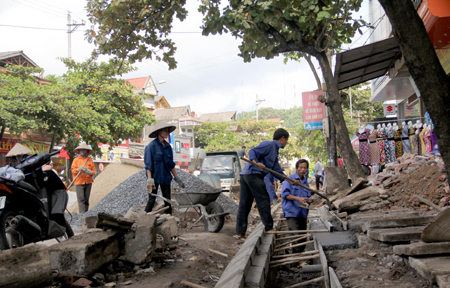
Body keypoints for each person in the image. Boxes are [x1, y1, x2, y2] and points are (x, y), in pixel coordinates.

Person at [235, 128, 295, 239]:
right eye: (286, 140)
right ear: (283, 138)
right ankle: (269, 227)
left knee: (245, 204)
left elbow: (277, 171)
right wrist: (256, 163)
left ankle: (240, 232)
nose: (286, 143)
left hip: (246, 175)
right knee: (263, 200)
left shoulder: (274, 152)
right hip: (253, 174)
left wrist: (288, 180)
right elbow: (252, 151)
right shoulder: (269, 145)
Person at [144, 122, 185, 215]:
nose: (167, 133)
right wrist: (150, 180)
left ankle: (168, 219)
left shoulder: (168, 147)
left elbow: (171, 165)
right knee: (152, 199)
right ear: (159, 132)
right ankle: (145, 218)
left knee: (168, 200)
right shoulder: (151, 147)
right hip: (154, 178)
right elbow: (148, 165)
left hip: (166, 178)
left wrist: (177, 178)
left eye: (168, 131)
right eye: (165, 131)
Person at [281, 159, 312, 253]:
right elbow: (285, 195)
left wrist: (309, 200)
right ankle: (296, 259)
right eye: (301, 167)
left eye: (305, 168)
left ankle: (299, 257)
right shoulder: (289, 180)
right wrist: (298, 199)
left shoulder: (305, 182)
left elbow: (307, 196)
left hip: (302, 212)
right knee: (295, 235)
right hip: (292, 212)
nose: (303, 170)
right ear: (296, 168)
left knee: (303, 236)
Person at [71, 143, 95, 213]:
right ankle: (82, 214)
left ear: (87, 151)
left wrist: (90, 172)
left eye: (84, 150)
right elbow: (73, 170)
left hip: (88, 182)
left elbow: (93, 171)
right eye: (81, 150)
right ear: (79, 151)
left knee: (86, 199)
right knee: (81, 199)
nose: (83, 151)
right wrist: (78, 169)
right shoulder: (76, 160)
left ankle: (86, 213)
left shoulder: (89, 160)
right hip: (79, 182)